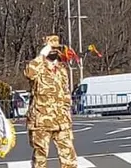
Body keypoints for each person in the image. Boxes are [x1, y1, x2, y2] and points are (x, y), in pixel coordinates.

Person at [25, 35, 77, 168]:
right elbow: (29, 73)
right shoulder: (38, 67)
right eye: (51, 49)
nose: (54, 52)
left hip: (61, 121)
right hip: (41, 120)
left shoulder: (61, 70)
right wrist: (42, 55)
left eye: (56, 49)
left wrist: (66, 110)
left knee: (69, 157)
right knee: (40, 158)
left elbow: (66, 93)